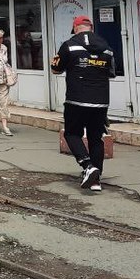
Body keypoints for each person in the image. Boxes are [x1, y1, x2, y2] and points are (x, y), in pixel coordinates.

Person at [51, 15, 116, 192]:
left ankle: (88, 166)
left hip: (76, 98)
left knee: (72, 133)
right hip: (101, 100)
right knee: (96, 138)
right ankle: (96, 179)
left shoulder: (69, 45)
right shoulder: (106, 47)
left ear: (75, 28)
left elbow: (55, 69)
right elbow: (111, 72)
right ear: (91, 28)